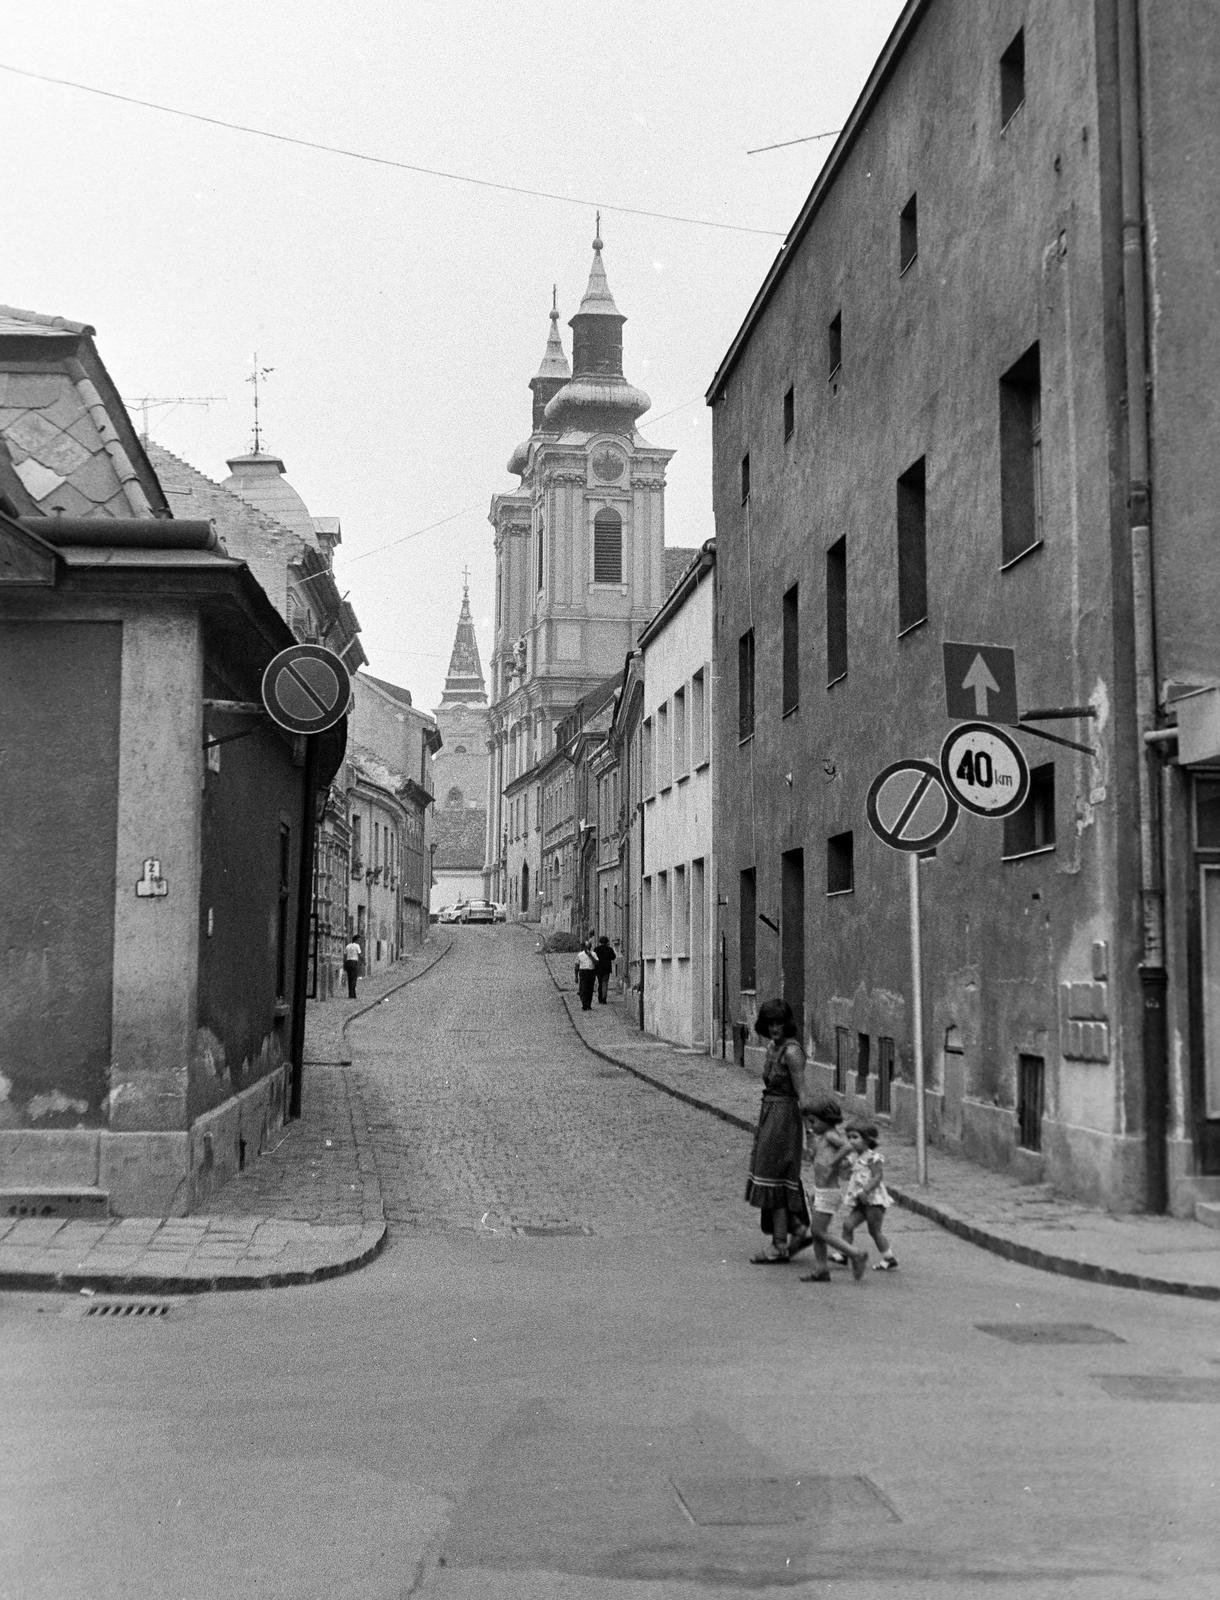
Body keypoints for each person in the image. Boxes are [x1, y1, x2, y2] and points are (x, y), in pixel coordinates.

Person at [744, 998, 813, 1263]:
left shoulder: (792, 1052)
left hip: (785, 1118)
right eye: (770, 1023)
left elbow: (803, 1094)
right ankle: (796, 1230)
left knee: (775, 1176)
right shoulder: (772, 1048)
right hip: (769, 1114)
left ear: (787, 1024)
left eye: (779, 1023)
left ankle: (779, 1244)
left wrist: (813, 1136)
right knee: (769, 1174)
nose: (775, 1028)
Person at [799, 1098, 869, 1283]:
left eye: (813, 1122)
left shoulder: (830, 1135)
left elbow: (847, 1147)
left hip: (829, 1192)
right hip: (821, 1189)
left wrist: (834, 1162)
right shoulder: (822, 1137)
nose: (811, 1126)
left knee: (819, 1231)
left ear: (826, 1120)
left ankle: (855, 1253)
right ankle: (821, 1269)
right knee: (817, 1232)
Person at [841, 1120, 898, 1270]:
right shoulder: (854, 1157)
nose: (851, 1141)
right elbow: (845, 1173)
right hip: (860, 1200)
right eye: (849, 1137)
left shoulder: (873, 1157)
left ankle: (889, 1258)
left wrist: (866, 1190)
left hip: (874, 1200)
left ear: (867, 1140)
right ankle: (844, 1253)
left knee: (874, 1230)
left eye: (855, 1137)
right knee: (848, 1225)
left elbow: (877, 1176)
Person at [574, 938, 597, 1011]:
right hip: (583, 972)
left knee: (590, 989)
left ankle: (588, 1005)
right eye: (586, 947)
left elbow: (596, 962)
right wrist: (576, 977)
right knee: (583, 989)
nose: (588, 948)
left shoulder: (593, 954)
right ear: (584, 947)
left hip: (591, 972)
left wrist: (590, 955)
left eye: (589, 947)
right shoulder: (580, 955)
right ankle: (584, 1004)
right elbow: (577, 966)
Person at [594, 934, 616, 1004]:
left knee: (600, 983)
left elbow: (594, 958)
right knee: (605, 983)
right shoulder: (609, 949)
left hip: (598, 969)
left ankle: (600, 998)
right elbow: (613, 957)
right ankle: (604, 999)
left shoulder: (596, 949)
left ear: (600, 942)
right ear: (607, 942)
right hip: (606, 969)